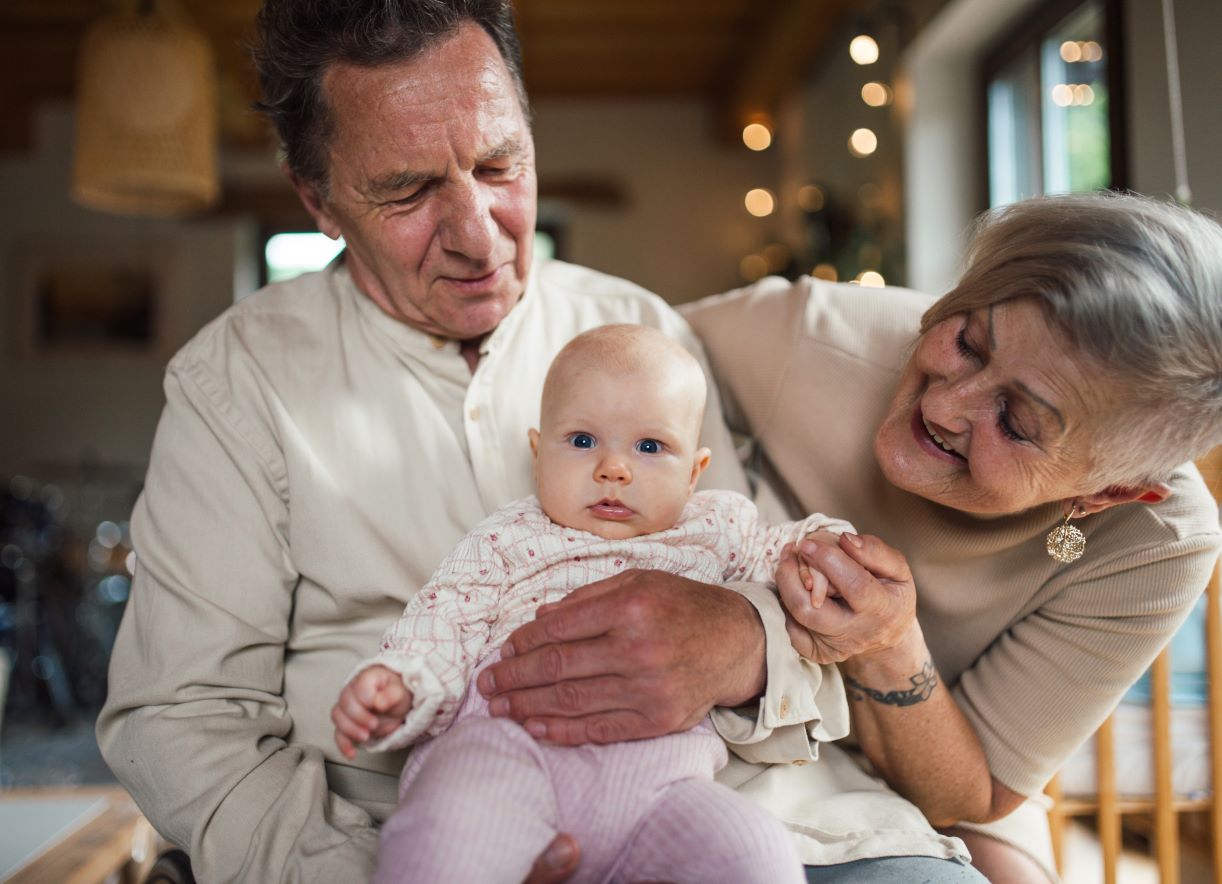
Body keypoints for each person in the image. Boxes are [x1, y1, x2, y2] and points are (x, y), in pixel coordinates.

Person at [96, 2, 981, 881]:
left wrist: (741, 642)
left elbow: (771, 588)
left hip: (730, 814)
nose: (480, 236)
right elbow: (184, 718)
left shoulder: (636, 327)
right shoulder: (236, 380)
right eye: (407, 190)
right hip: (405, 834)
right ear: (317, 199)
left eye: (498, 163)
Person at [682, 192, 1222, 882]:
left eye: (1019, 422)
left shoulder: (1157, 543)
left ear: (1110, 493)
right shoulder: (816, 333)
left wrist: (885, 648)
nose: (944, 405)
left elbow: (976, 793)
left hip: (942, 757)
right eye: (969, 343)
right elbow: (629, 350)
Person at [335, 324, 853, 883]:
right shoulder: (507, 536)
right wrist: (401, 684)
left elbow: (789, 549)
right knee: (451, 832)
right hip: (506, 749)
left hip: (660, 790)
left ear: (695, 474)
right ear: (538, 455)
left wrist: (826, 555)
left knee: (755, 853)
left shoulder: (716, 527)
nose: (614, 469)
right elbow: (445, 619)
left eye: (650, 447)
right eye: (582, 441)